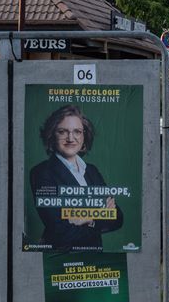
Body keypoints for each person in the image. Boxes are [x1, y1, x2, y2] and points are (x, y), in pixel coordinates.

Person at [28, 105, 121, 250]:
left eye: (77, 131)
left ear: (84, 136)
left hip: (95, 258)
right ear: (52, 135)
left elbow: (117, 218)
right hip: (61, 259)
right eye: (62, 131)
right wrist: (101, 214)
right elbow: (60, 230)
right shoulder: (42, 172)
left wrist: (87, 218)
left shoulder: (92, 171)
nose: (71, 138)